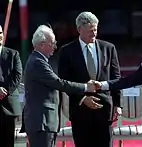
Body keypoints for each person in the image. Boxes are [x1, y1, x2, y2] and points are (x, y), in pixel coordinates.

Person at [23, 25, 99, 147]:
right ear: (42, 45)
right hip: (42, 122)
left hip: (45, 122)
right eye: (52, 43)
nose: (55, 46)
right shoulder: (37, 63)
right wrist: (86, 87)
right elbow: (59, 83)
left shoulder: (39, 61)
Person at [58, 12, 121, 147]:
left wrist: (118, 104)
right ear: (79, 30)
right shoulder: (67, 52)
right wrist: (82, 98)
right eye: (90, 31)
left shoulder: (108, 48)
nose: (94, 34)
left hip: (105, 111)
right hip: (80, 112)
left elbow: (116, 78)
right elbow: (64, 82)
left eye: (95, 30)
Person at [0, 25, 23, 147]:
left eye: (0, 32)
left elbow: (17, 76)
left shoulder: (13, 54)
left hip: (9, 107)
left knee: (9, 143)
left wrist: (5, 91)